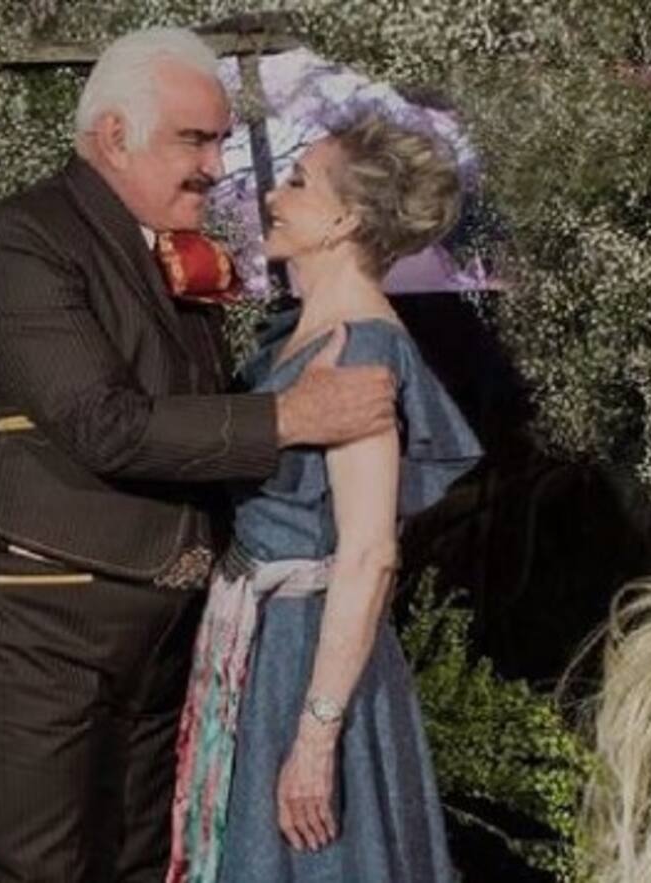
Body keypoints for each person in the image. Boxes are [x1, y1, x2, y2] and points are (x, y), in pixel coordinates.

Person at [0, 28, 396, 883]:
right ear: (115, 135)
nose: (218, 167)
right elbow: (103, 423)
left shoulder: (173, 254)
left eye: (221, 141)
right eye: (196, 140)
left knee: (145, 866)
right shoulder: (21, 240)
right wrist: (287, 417)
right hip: (42, 624)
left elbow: (189, 422)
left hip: (162, 636)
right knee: (41, 870)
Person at [167, 113, 482, 883]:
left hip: (303, 658)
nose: (274, 196)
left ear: (344, 219)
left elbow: (369, 554)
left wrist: (315, 738)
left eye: (298, 182)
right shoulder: (304, 333)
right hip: (262, 645)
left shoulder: (362, 347)